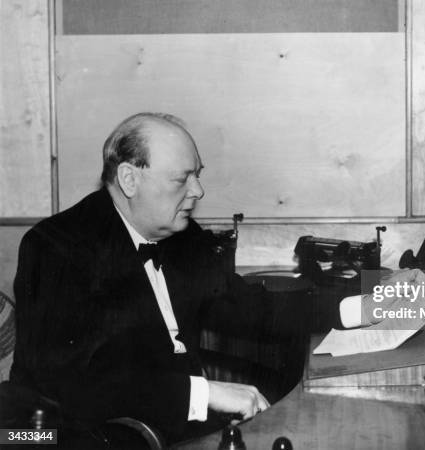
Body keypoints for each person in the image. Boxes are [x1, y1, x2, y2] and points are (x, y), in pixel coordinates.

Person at [9, 113, 271, 446]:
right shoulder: (57, 249)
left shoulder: (179, 231)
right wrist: (203, 393)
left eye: (198, 175)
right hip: (59, 437)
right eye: (182, 179)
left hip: (167, 427)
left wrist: (360, 303)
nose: (199, 191)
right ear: (129, 179)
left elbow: (252, 309)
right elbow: (73, 384)